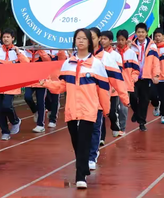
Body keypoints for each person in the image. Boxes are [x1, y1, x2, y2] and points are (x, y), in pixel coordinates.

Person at [41, 28, 111, 189]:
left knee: (85, 140)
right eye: (77, 38)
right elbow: (62, 85)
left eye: (83, 39)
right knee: (76, 140)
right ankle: (84, 165)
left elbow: (103, 90)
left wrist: (107, 111)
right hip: (72, 107)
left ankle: (80, 176)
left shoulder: (97, 64)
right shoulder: (68, 63)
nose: (80, 41)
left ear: (89, 42)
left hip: (89, 108)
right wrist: (47, 84)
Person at [88, 28, 128, 170]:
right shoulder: (78, 57)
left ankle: (92, 155)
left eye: (92, 37)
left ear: (98, 39)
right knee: (80, 131)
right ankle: (87, 153)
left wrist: (124, 97)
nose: (88, 40)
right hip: (82, 101)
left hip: (100, 98)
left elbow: (117, 78)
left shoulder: (108, 57)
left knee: (95, 126)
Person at [0, 29, 29, 140]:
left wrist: (18, 53)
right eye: (4, 37)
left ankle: (15, 121)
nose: (5, 39)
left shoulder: (19, 51)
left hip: (11, 84)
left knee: (7, 105)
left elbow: (27, 64)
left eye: (8, 37)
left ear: (13, 38)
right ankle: (5, 131)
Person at [130, 23, 160, 131]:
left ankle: (142, 122)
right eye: (139, 32)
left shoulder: (152, 46)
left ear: (146, 33)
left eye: (143, 32)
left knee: (144, 100)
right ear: (136, 33)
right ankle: (136, 112)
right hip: (134, 76)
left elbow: (156, 62)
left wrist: (156, 75)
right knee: (132, 97)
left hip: (147, 77)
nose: (141, 34)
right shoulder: (132, 46)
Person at [23, 44, 51, 133]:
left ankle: (40, 125)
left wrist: (40, 51)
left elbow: (48, 61)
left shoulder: (45, 50)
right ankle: (35, 111)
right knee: (27, 97)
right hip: (30, 79)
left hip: (41, 80)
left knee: (40, 102)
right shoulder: (26, 50)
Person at [116, 29, 139, 133]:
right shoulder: (113, 53)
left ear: (126, 40)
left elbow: (136, 69)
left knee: (123, 107)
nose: (120, 42)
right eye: (119, 40)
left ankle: (122, 127)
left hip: (126, 84)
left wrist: (132, 78)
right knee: (114, 107)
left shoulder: (131, 53)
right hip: (114, 84)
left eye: (122, 40)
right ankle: (115, 125)